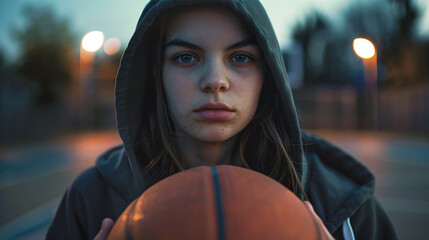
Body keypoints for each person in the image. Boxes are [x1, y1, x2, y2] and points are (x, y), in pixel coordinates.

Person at [46, 0, 398, 239]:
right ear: (156, 75)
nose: (215, 80)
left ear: (269, 74)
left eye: (241, 57)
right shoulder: (90, 199)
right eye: (185, 57)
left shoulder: (342, 201)